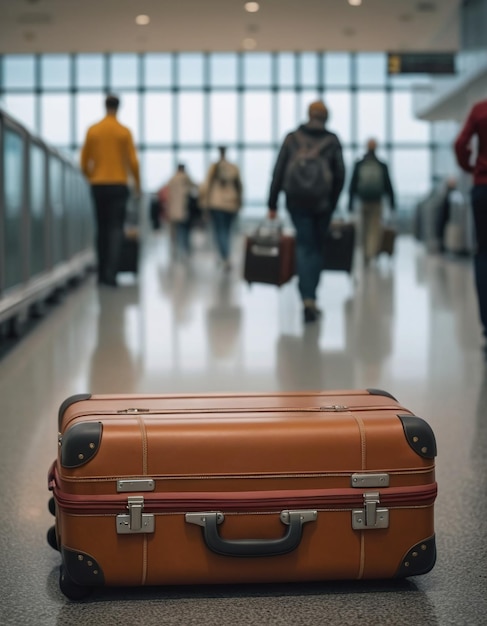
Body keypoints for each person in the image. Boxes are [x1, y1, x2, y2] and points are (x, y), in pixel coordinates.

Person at [267, 100, 345, 323]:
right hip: (322, 204)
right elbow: (340, 174)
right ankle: (312, 296)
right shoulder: (331, 140)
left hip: (296, 201)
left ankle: (306, 298)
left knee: (304, 244)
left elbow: (278, 171)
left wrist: (272, 203)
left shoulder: (292, 138)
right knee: (317, 247)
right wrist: (333, 201)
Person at [80, 94, 140, 287]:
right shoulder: (124, 132)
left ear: (104, 106)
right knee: (115, 229)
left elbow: (83, 161)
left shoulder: (93, 130)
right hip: (118, 184)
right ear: (118, 107)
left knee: (101, 228)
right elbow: (133, 162)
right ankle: (111, 274)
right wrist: (137, 185)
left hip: (98, 185)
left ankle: (101, 273)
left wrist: (91, 176)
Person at [454, 98, 487, 352]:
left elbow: (460, 144)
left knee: (484, 253)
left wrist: (472, 167)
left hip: (483, 187)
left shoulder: (479, 109)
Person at [348, 138, 395, 266]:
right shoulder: (381, 165)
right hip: (376, 201)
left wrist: (350, 203)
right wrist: (392, 203)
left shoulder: (359, 164)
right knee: (374, 229)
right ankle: (371, 253)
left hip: (362, 201)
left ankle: (364, 254)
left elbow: (352, 185)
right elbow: (388, 185)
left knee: (362, 227)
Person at [200, 146, 243, 271]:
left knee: (220, 231)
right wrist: (239, 202)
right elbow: (239, 186)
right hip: (231, 204)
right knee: (227, 231)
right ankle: (226, 255)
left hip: (216, 204)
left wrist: (205, 205)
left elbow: (206, 186)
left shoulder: (214, 168)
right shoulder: (233, 167)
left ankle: (225, 257)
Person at [164, 163, 197, 260]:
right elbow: (194, 187)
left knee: (176, 230)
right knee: (184, 230)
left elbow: (168, 194)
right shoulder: (186, 178)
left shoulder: (172, 179)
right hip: (184, 208)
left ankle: (177, 249)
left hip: (173, 209)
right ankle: (184, 250)